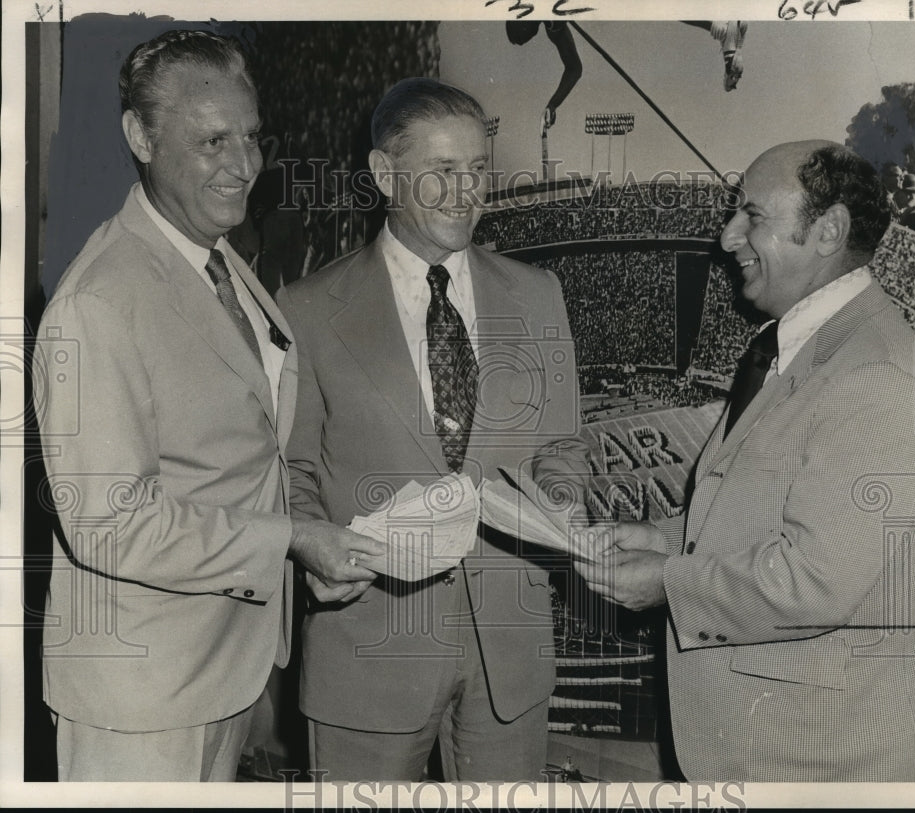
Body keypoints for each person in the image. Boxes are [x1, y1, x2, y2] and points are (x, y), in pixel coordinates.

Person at [33, 29, 381, 781]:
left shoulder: (216, 257)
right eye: (213, 140)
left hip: (220, 666)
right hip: (141, 697)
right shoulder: (99, 301)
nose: (245, 165)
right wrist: (290, 540)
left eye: (252, 137)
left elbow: (244, 445)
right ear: (140, 135)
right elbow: (111, 523)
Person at [573, 141, 915, 781]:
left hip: (820, 764)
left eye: (752, 216)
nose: (727, 238)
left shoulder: (878, 369)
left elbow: (816, 580)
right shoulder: (794, 345)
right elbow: (766, 509)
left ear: (828, 230)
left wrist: (667, 578)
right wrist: (665, 537)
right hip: (760, 747)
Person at [276, 77, 589, 781]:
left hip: (510, 648)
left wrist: (560, 504)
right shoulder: (305, 308)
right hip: (366, 647)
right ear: (384, 174)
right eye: (442, 171)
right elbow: (289, 475)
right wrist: (313, 547)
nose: (466, 191)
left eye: (477, 169)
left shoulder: (538, 295)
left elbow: (563, 445)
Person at [506, 20, 583, 128]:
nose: (528, 40)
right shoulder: (554, 27)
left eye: (522, 37)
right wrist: (552, 105)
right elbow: (574, 69)